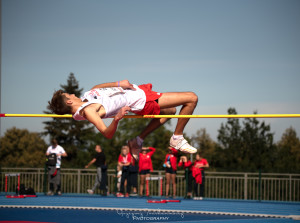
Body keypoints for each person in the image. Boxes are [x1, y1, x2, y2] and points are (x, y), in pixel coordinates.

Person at [48, 80, 198, 160]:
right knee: (191, 98)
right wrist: (117, 119)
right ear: (68, 102)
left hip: (137, 91)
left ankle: (137, 140)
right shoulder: (88, 111)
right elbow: (107, 133)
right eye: (70, 95)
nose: (73, 94)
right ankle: (177, 138)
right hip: (142, 101)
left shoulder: (86, 96)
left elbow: (97, 87)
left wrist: (119, 84)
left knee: (170, 111)